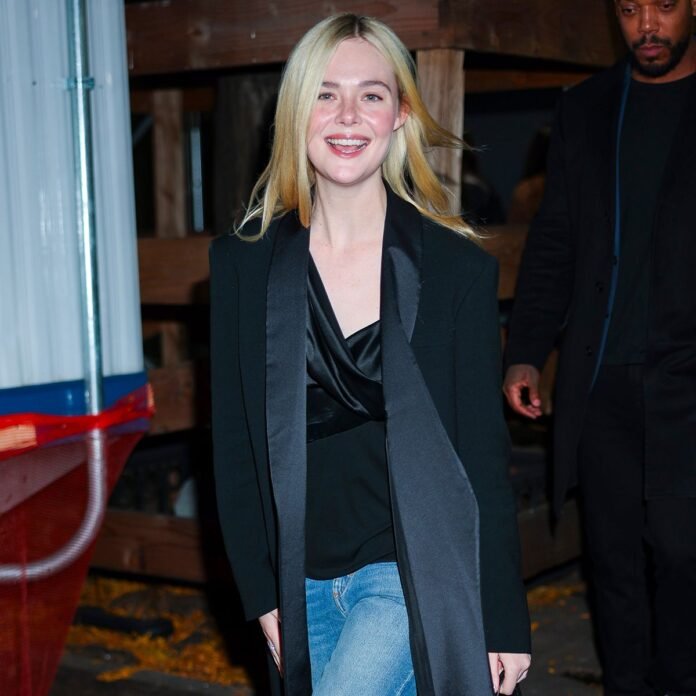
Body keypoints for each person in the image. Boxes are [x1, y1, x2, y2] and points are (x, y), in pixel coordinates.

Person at [210, 14, 530, 696]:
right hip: (297, 578)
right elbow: (234, 444)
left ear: (401, 114)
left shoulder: (454, 272)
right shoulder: (244, 267)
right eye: (325, 93)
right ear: (297, 112)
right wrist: (260, 590)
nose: (348, 115)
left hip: (409, 571)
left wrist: (503, 617)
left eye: (371, 94)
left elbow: (481, 451)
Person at [503, 1, 696, 695]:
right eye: (630, 8)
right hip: (601, 376)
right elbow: (554, 237)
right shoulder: (586, 108)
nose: (647, 25)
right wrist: (526, 350)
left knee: (681, 551)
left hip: (687, 376)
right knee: (612, 560)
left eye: (664, 5)